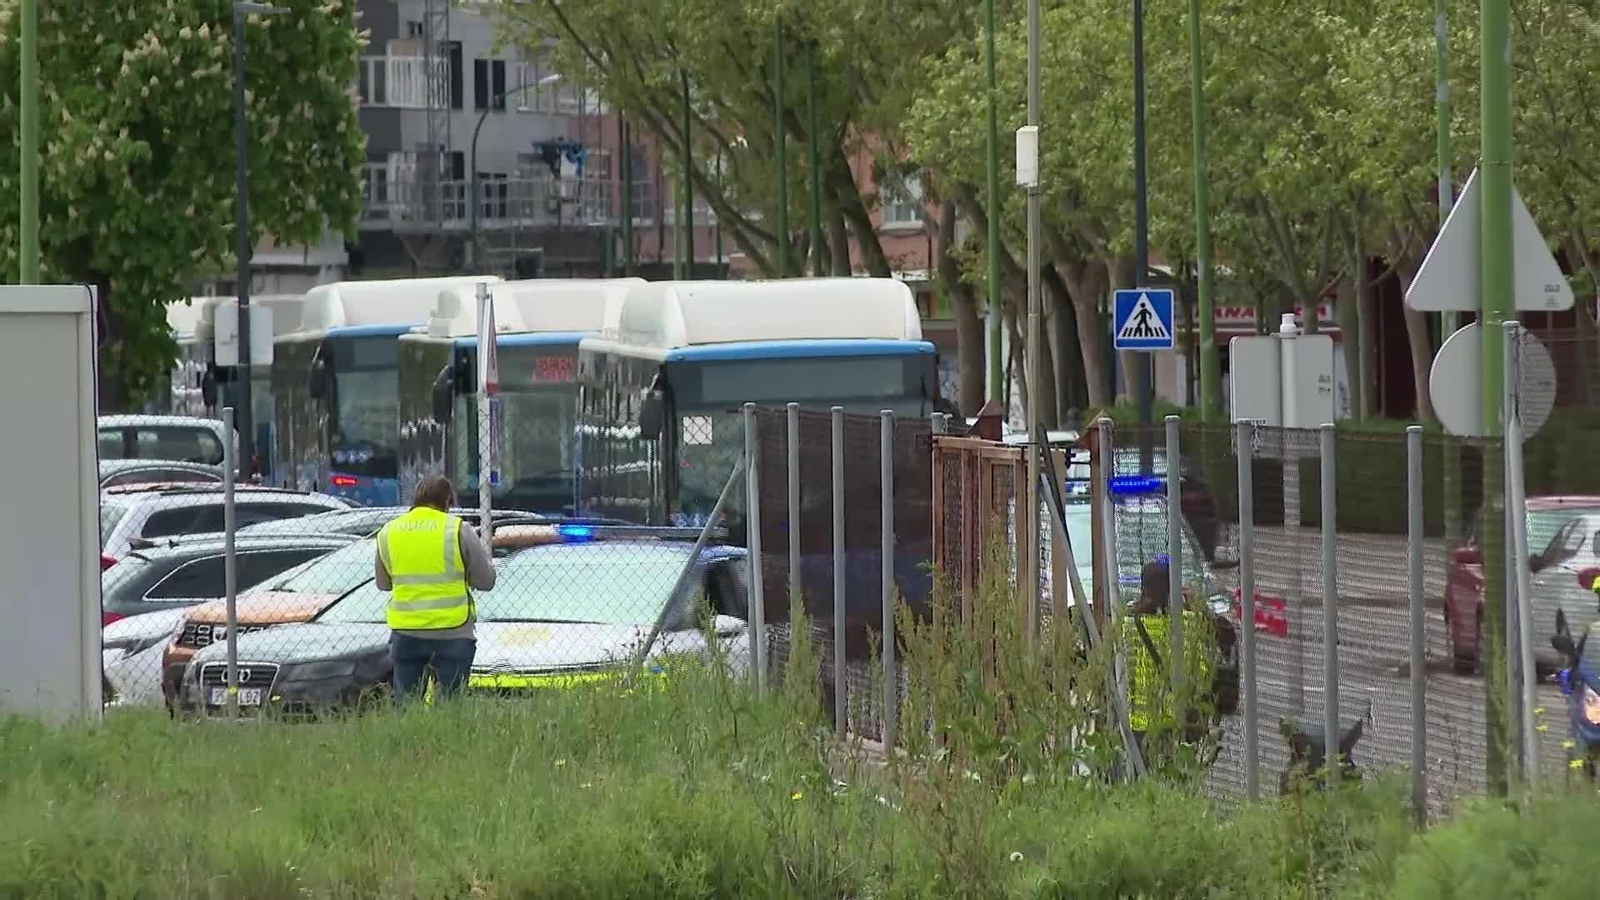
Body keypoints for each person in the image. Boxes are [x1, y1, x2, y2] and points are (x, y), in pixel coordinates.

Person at [375, 475, 496, 703]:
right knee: (451, 706)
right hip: (453, 630)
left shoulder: (389, 531)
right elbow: (486, 581)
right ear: (448, 501)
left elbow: (383, 583)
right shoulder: (458, 529)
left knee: (406, 705)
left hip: (406, 631)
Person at [1121, 557, 1220, 749]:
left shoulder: (1131, 625)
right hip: (1179, 717)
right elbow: (1203, 671)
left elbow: (1126, 671)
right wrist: (1192, 604)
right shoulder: (1189, 623)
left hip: (1142, 719)